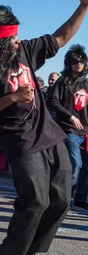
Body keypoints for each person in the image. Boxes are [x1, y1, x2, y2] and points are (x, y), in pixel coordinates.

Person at [0, 0, 88, 255]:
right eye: (12, 36)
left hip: (52, 135)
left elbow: (60, 38)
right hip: (19, 141)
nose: (18, 40)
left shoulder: (25, 52)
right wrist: (12, 98)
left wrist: (83, 6)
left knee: (60, 201)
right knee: (34, 201)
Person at [47, 44, 88, 210]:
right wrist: (70, 116)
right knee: (75, 163)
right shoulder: (63, 82)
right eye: (75, 61)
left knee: (86, 166)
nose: (79, 64)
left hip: (86, 130)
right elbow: (52, 101)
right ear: (69, 63)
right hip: (69, 129)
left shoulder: (86, 83)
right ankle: (64, 198)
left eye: (82, 61)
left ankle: (80, 198)